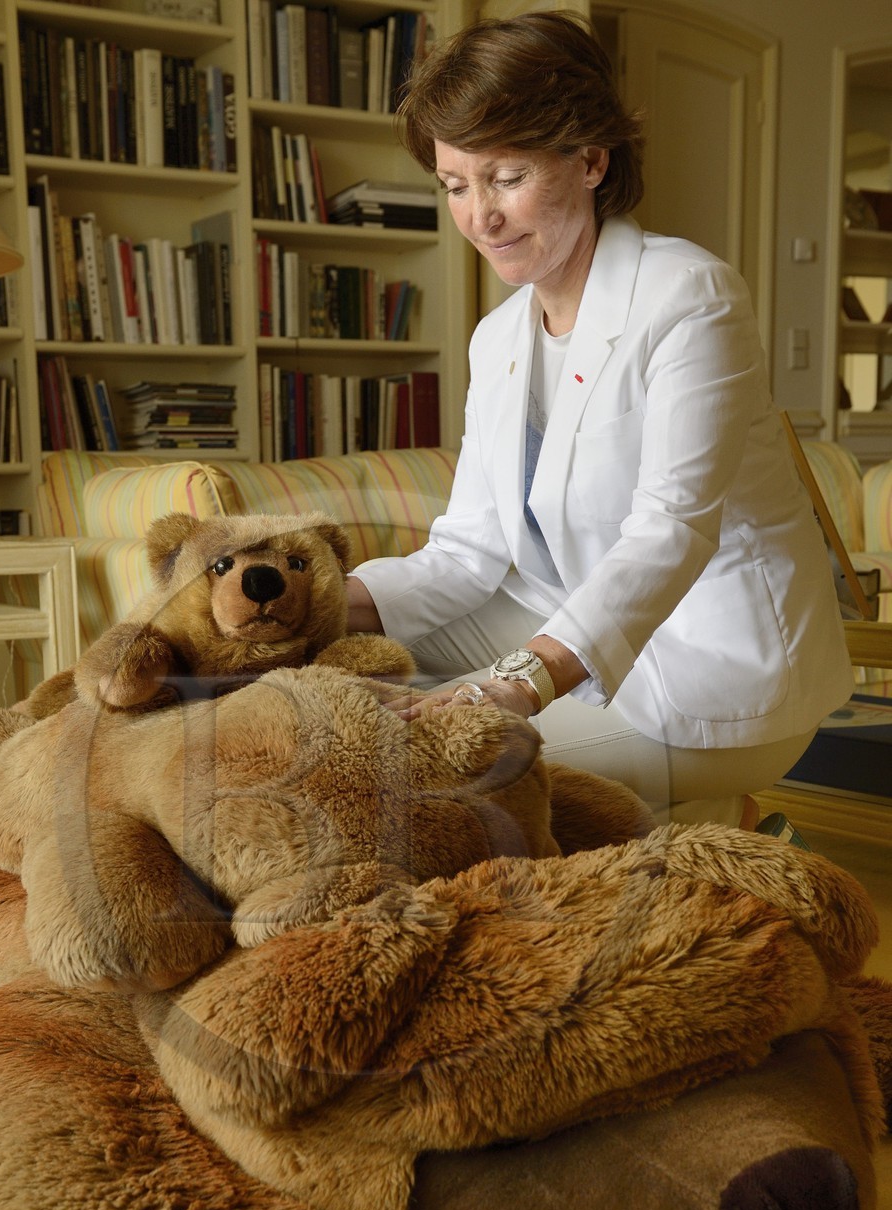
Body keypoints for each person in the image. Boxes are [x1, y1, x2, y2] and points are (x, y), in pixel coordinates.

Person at [345, 10, 854, 827]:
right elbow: (469, 551)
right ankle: (697, 823)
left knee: (423, 771)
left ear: (589, 159)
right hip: (572, 624)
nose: (482, 216)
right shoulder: (498, 336)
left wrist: (516, 681)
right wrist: (319, 605)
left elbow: (670, 531)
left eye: (506, 176)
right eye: (455, 185)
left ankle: (695, 816)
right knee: (334, 674)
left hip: (707, 669)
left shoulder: (688, 296)